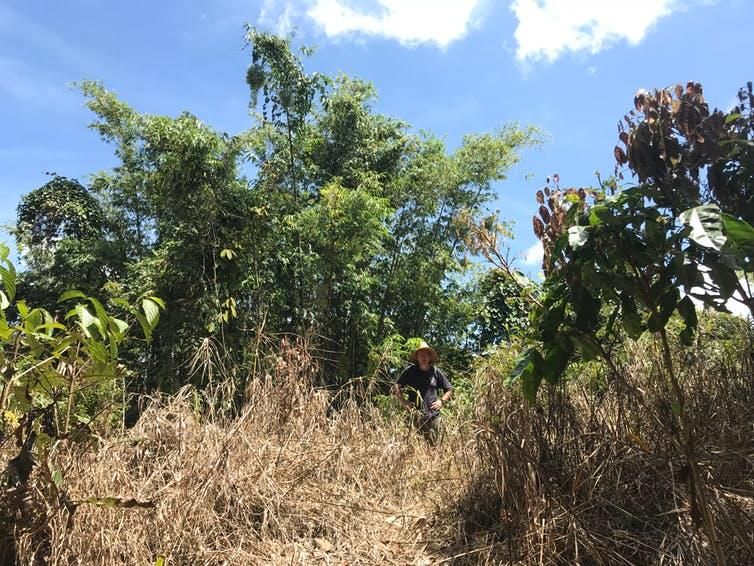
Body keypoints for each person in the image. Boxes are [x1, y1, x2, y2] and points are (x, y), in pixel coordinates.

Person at [392, 340, 453, 444]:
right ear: (417, 357)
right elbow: (396, 386)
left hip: (433, 417)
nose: (423, 357)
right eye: (421, 355)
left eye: (426, 355)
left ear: (429, 357)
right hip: (415, 417)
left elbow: (449, 389)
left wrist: (441, 401)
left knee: (434, 447)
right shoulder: (410, 371)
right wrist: (404, 403)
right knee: (414, 447)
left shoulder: (435, 372)